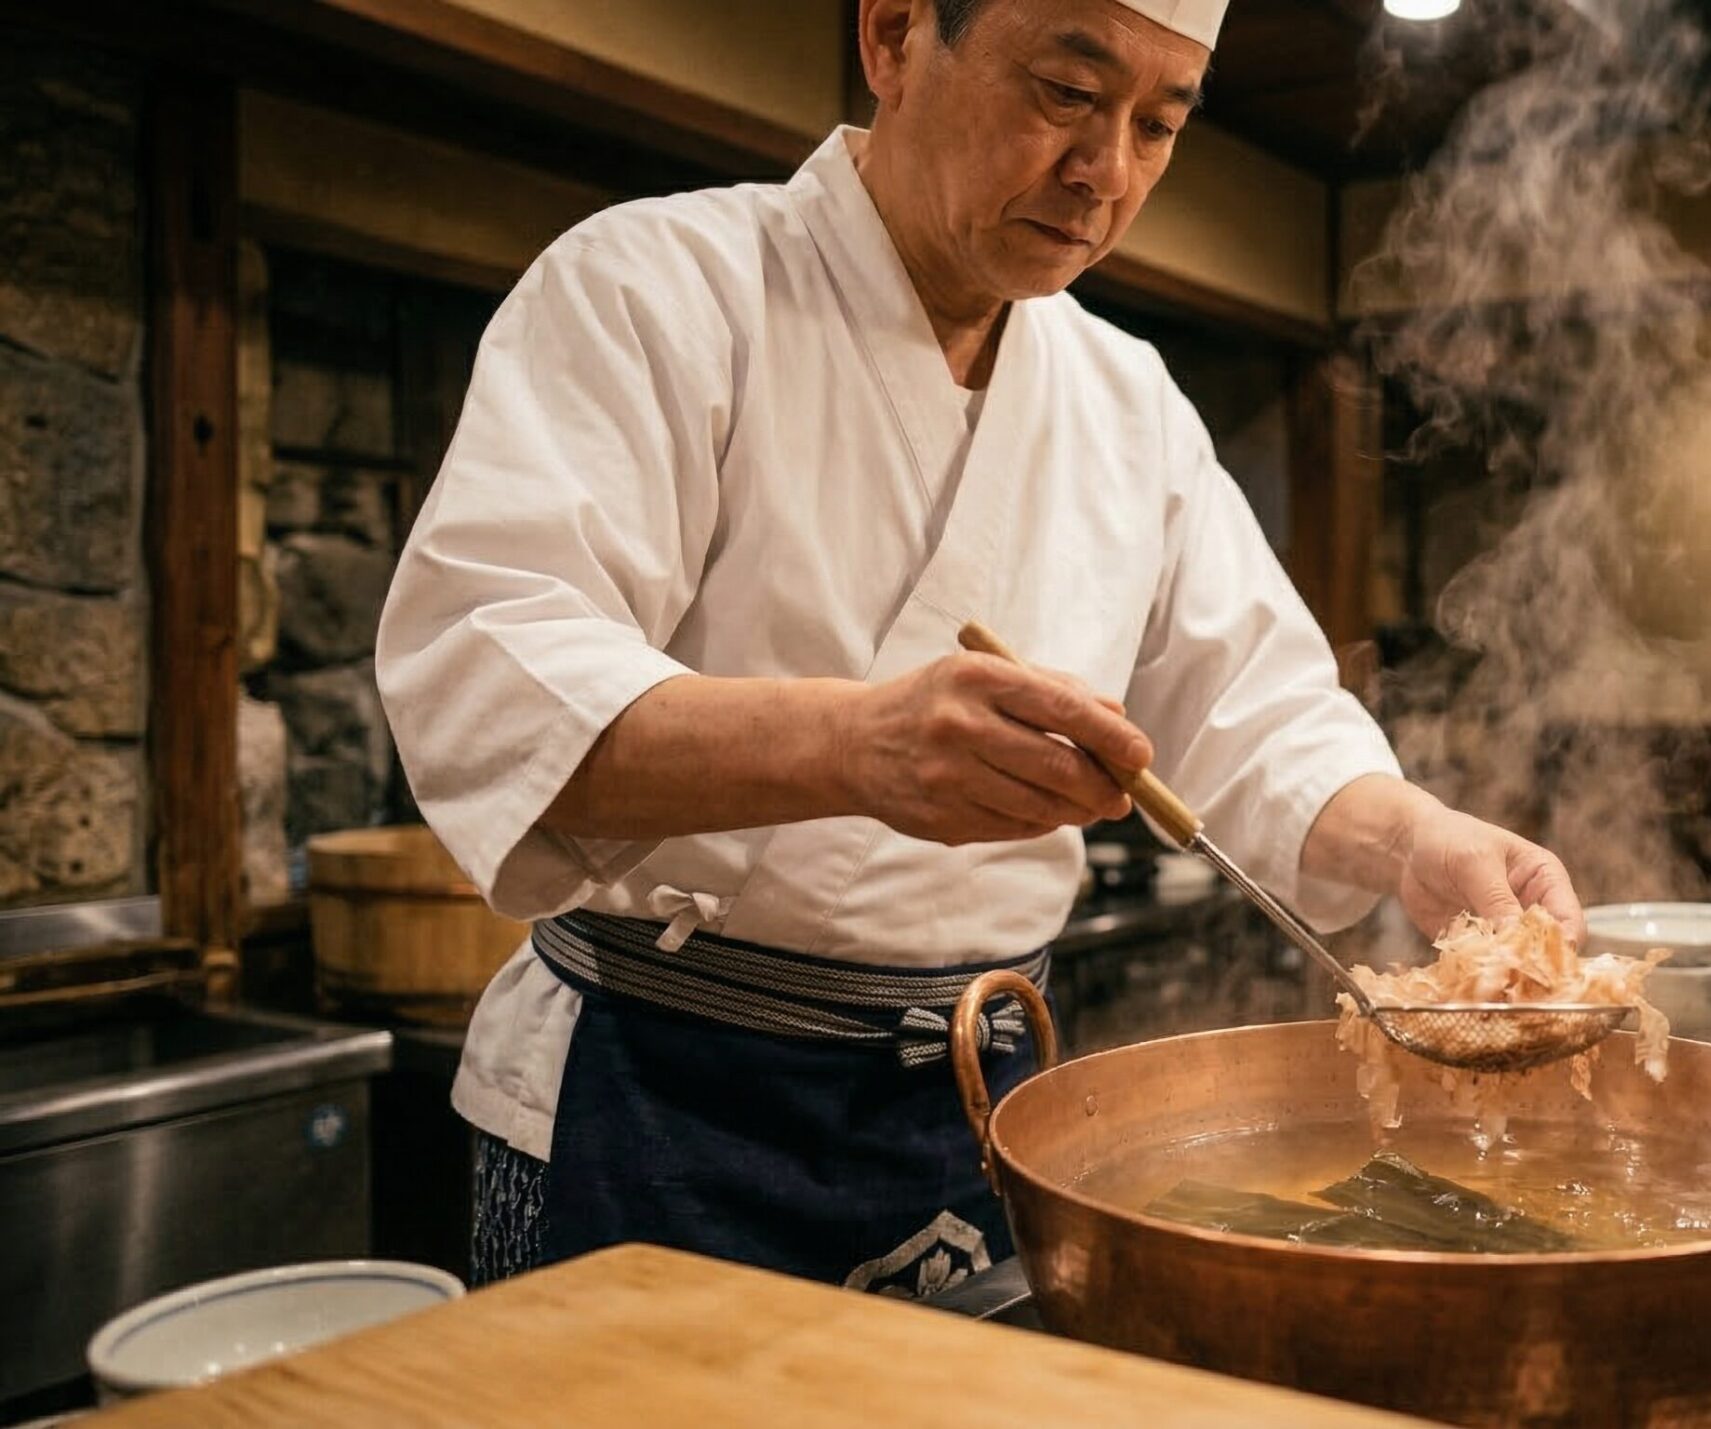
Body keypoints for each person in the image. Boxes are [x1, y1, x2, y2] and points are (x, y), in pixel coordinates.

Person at [376, 0, 1584, 1298]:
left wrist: (1413, 842)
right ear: (894, 35)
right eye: (1068, 91)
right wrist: (853, 746)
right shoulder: (652, 290)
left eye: (1159, 124)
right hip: (659, 1099)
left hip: (981, 1110)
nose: (1108, 171)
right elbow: (490, 675)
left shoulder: (1131, 407)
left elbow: (1261, 714)